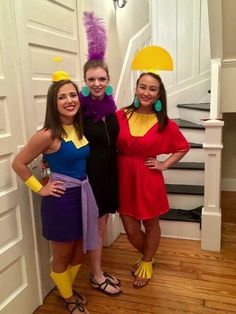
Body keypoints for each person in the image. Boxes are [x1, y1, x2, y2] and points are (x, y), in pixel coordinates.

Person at [12, 74, 99, 314]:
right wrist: (41, 188)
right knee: (62, 256)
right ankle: (69, 299)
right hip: (61, 202)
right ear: (53, 102)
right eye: (62, 97)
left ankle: (66, 288)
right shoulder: (48, 134)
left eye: (73, 95)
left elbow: (60, 159)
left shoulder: (78, 127)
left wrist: (47, 166)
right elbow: (18, 163)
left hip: (83, 195)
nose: (69, 100)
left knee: (81, 250)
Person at [116, 72, 190, 288]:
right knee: (130, 230)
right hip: (122, 176)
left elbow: (182, 147)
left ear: (159, 94)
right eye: (142, 87)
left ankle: (147, 261)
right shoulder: (121, 115)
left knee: (150, 223)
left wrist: (164, 164)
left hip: (148, 177)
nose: (146, 92)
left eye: (152, 89)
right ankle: (148, 254)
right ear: (136, 89)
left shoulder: (164, 123)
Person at [79, 59, 121, 296]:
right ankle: (96, 275)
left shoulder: (110, 108)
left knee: (101, 226)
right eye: (91, 79)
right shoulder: (79, 111)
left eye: (101, 79)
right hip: (89, 174)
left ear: (108, 81)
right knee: (95, 228)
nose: (97, 84)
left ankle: (98, 271)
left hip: (108, 173)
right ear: (84, 81)